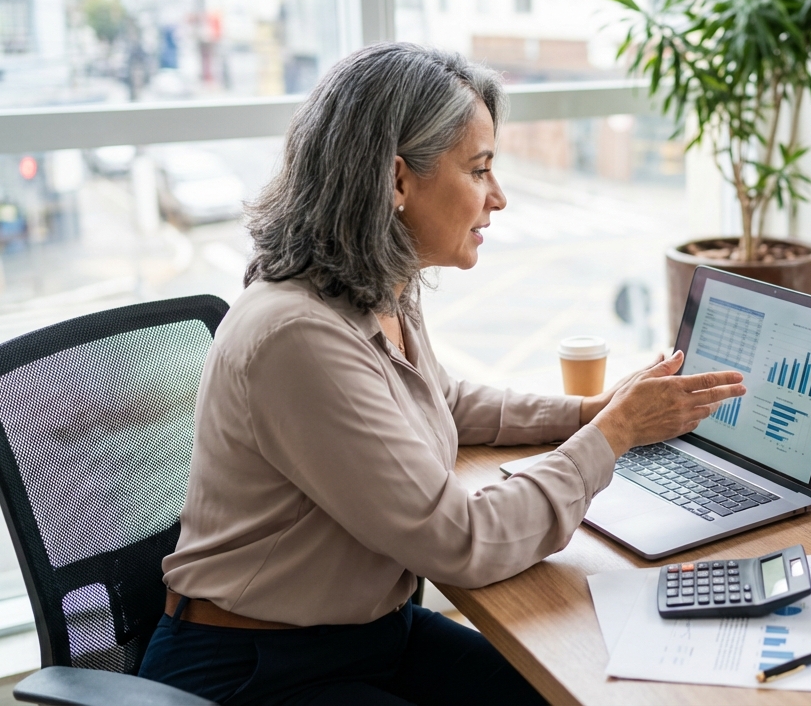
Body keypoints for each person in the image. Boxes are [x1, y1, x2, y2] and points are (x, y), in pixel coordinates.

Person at [137, 42, 746, 705]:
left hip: (366, 636)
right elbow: (461, 540)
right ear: (398, 181)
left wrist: (591, 411)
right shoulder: (298, 336)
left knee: (568, 689)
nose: (499, 197)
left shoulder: (372, 288)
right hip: (256, 669)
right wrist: (614, 436)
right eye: (479, 169)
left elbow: (446, 401)